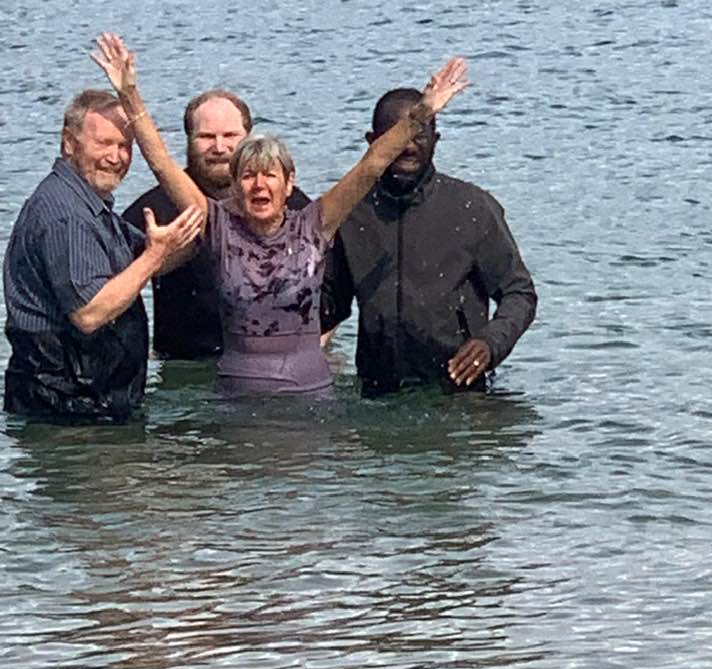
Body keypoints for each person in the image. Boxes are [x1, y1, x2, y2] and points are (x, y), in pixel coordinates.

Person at [92, 33, 469, 398]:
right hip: (237, 398)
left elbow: (371, 165)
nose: (259, 185)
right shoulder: (217, 226)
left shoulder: (315, 223)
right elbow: (161, 163)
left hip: (310, 395)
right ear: (236, 185)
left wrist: (421, 114)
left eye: (269, 175)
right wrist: (129, 95)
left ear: (289, 184)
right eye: (248, 176)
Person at [321, 87, 537, 397]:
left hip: (459, 390)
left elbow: (519, 293)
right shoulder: (353, 213)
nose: (409, 147)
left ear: (436, 140)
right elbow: (330, 305)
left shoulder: (472, 208)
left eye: (419, 135)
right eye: (396, 136)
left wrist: (490, 344)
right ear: (372, 142)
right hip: (378, 391)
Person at [3, 89, 203, 420]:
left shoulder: (90, 206)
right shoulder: (66, 215)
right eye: (104, 144)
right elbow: (89, 313)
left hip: (90, 402)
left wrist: (186, 239)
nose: (116, 156)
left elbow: (147, 262)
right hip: (65, 411)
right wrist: (154, 255)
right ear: (69, 143)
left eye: (125, 146)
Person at [123, 89, 311, 360]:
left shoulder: (289, 204)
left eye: (230, 135)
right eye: (206, 137)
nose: (220, 148)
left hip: (274, 360)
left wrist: (318, 344)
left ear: (249, 138)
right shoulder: (154, 209)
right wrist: (158, 258)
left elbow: (331, 286)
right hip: (184, 365)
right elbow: (108, 287)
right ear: (188, 140)